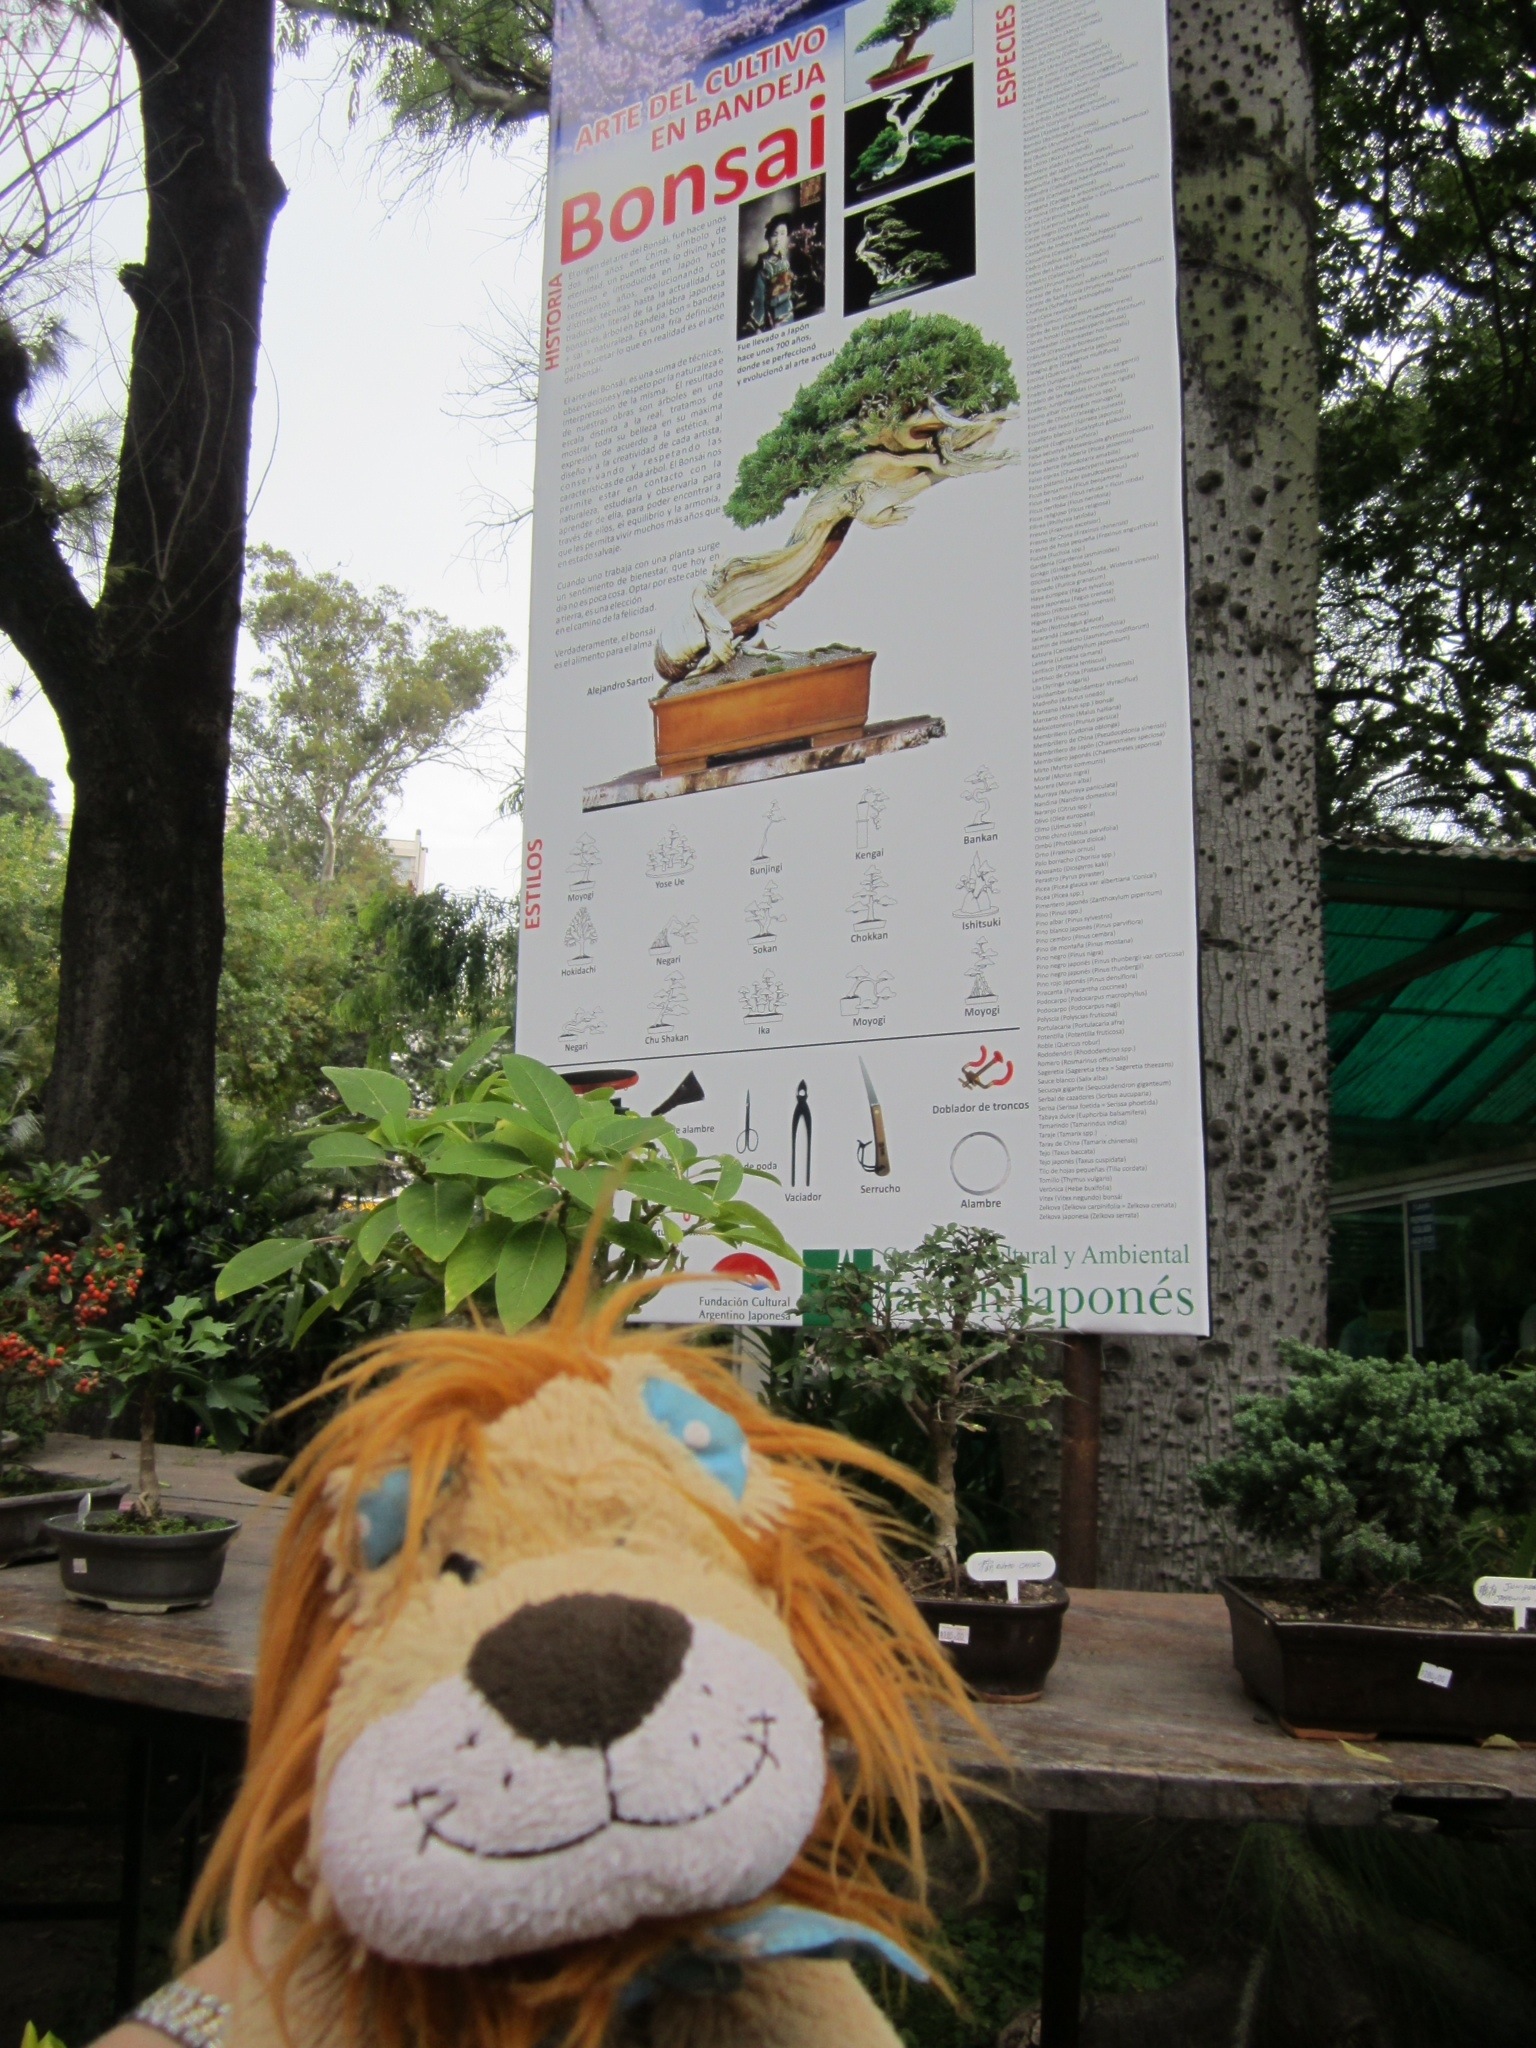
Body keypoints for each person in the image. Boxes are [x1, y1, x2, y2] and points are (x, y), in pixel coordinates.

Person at [749, 215, 797, 329]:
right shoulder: (764, 265)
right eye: (774, 235)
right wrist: (758, 325)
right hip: (773, 318)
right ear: (768, 237)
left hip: (788, 313)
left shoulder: (784, 261)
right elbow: (758, 298)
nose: (778, 240)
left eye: (782, 234)